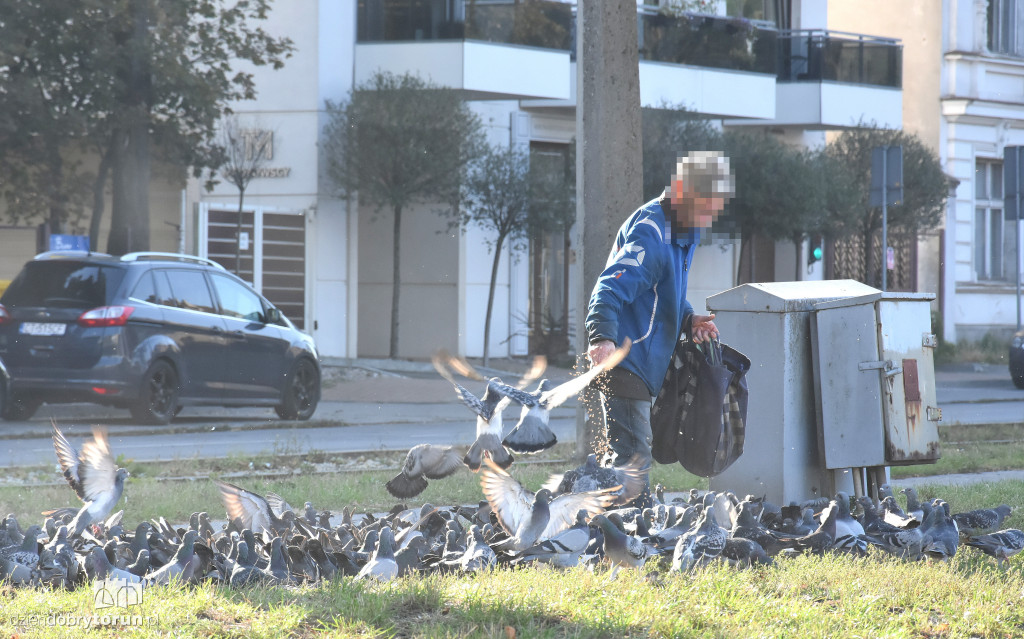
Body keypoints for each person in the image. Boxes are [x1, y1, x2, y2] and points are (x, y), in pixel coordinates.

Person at [586, 151, 735, 503]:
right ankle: (628, 541)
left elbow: (660, 292)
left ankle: (614, 532)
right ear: (682, 191)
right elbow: (607, 288)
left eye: (714, 209)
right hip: (624, 360)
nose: (709, 218)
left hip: (646, 363)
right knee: (633, 460)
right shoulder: (651, 233)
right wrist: (602, 338)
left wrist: (688, 319)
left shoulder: (685, 230)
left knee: (631, 458)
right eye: (705, 207)